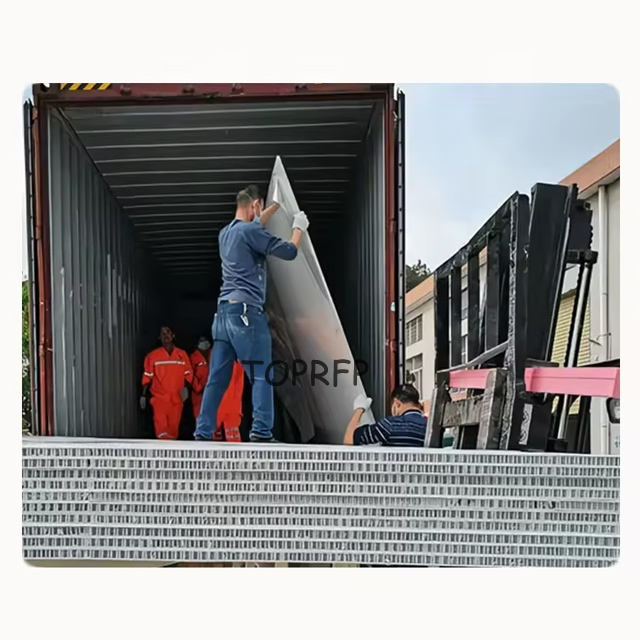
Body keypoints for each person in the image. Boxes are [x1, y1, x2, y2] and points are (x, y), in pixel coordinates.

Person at [194, 186, 309, 442]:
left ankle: (202, 431)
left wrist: (274, 207)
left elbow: (254, 225)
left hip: (222, 317)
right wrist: (298, 228)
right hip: (246, 315)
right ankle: (261, 431)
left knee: (216, 380)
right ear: (255, 204)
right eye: (260, 208)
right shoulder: (250, 232)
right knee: (261, 374)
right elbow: (289, 251)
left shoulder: (226, 233)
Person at [140, 326, 193, 440]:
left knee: (173, 432)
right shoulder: (152, 356)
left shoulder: (182, 354)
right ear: (159, 337)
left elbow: (188, 374)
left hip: (177, 400)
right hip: (160, 399)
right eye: (163, 333)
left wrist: (186, 388)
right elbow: (147, 377)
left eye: (168, 332)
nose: (166, 335)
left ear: (173, 335)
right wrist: (143, 395)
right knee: (162, 433)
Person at [190, 335, 244, 442]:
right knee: (212, 440)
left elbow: (239, 385)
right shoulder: (215, 357)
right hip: (216, 406)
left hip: (231, 408)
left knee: (233, 441)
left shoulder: (237, 360)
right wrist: (199, 387)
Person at [343, 384, 427, 446]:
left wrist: (360, 409)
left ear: (397, 404)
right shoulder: (428, 426)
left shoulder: (389, 425)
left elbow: (349, 440)